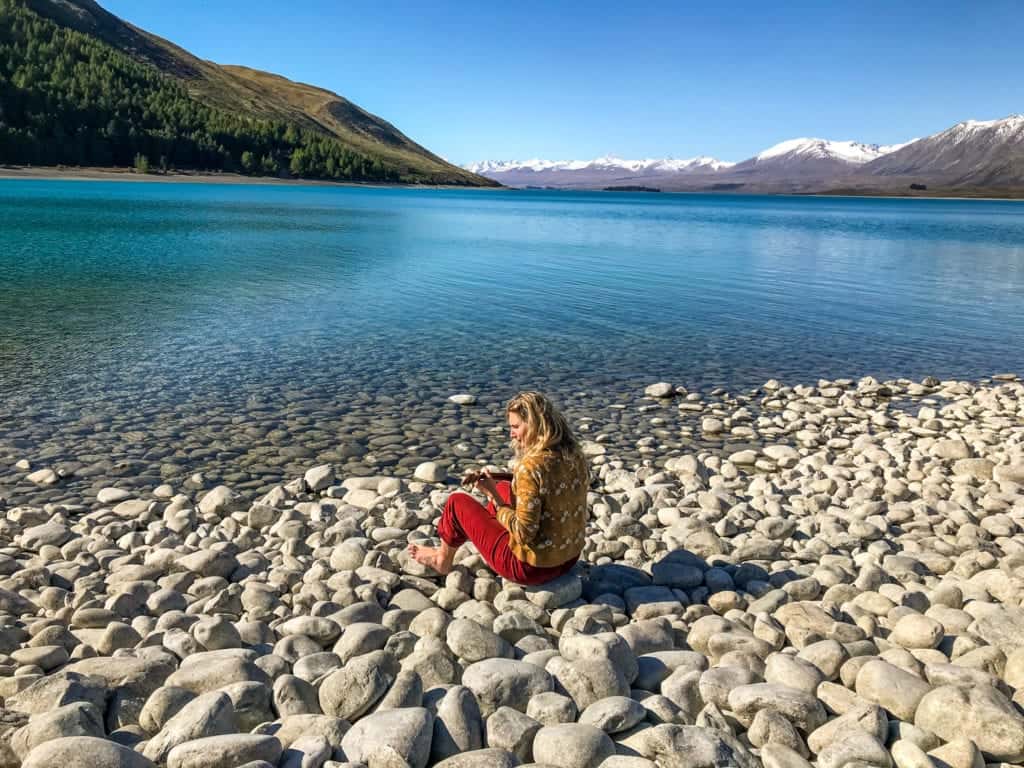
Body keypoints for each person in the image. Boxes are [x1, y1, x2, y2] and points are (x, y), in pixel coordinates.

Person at [408, 391, 589, 585]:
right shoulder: (573, 454)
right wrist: (498, 483)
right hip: (568, 559)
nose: (511, 433)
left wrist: (493, 496)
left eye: (516, 427)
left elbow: (524, 533)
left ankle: (441, 559)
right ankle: (490, 531)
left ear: (536, 425)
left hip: (531, 569)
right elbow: (547, 487)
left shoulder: (530, 467)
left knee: (456, 503)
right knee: (505, 487)